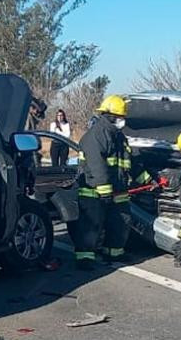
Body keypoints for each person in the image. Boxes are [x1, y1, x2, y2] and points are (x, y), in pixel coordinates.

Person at [68, 95, 133, 270]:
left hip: (117, 190)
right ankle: (84, 257)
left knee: (120, 221)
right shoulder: (95, 136)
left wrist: (148, 180)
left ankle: (114, 252)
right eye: (120, 117)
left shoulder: (118, 137)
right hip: (94, 191)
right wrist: (104, 190)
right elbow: (97, 166)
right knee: (91, 225)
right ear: (109, 116)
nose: (122, 121)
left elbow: (127, 162)